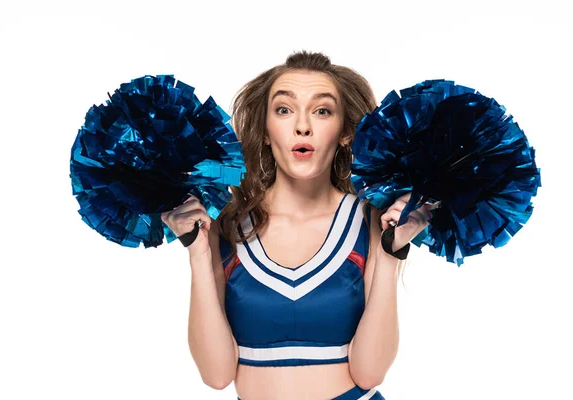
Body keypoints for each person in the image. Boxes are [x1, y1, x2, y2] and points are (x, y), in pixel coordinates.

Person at [161, 51, 435, 400]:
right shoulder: (227, 224)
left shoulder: (371, 221)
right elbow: (217, 375)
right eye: (284, 109)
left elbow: (370, 371)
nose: (302, 126)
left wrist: (392, 253)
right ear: (264, 130)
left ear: (346, 132)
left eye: (322, 111)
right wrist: (198, 252)